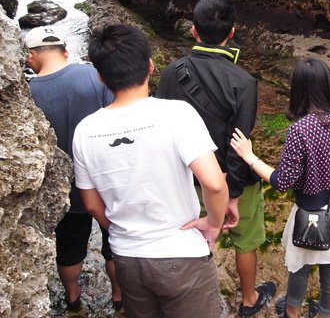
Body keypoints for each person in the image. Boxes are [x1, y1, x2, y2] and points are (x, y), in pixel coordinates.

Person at [72, 24, 229, 318]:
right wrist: (213, 223)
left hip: (127, 258)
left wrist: (125, 231)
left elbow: (92, 205)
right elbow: (214, 183)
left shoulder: (85, 131)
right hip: (181, 256)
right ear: (151, 66)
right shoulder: (176, 114)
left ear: (101, 76)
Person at [229, 58, 330, 318]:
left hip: (313, 212)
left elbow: (284, 181)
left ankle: (293, 312)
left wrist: (250, 157)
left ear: (298, 90)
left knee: (300, 268)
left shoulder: (301, 129)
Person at [156, 0, 275, 316]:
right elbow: (239, 142)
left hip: (185, 178)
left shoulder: (170, 73)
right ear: (232, 32)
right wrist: (232, 194)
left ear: (193, 31)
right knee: (246, 239)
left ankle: (186, 302)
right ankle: (249, 299)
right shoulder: (244, 81)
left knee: (188, 238)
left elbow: (162, 130)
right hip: (229, 179)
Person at [24, 26, 122, 314]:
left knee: (69, 249)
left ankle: (72, 297)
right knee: (113, 242)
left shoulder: (28, 94)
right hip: (105, 183)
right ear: (64, 50)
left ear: (31, 55)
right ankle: (118, 296)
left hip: (64, 192)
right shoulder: (94, 75)